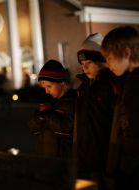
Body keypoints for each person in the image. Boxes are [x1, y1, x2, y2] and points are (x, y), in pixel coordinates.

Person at [74, 33, 119, 189]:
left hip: (105, 159)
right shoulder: (83, 88)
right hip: (85, 159)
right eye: (82, 63)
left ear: (102, 62)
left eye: (89, 62)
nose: (84, 67)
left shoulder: (111, 86)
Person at [101, 26, 139, 190]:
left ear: (126, 53)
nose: (108, 65)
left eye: (109, 58)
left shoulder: (136, 83)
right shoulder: (130, 79)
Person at [28, 59, 76, 158]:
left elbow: (66, 129)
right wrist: (39, 117)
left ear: (62, 84)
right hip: (47, 157)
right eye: (44, 87)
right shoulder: (50, 102)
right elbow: (33, 129)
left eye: (49, 86)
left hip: (63, 159)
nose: (46, 91)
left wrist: (47, 114)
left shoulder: (71, 101)